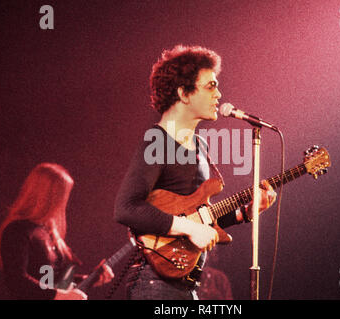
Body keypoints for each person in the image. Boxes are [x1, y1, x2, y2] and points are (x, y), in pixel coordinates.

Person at [114, 45, 277, 300]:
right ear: (184, 93)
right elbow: (126, 208)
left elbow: (200, 218)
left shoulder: (201, 146)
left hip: (186, 286)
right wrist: (188, 229)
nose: (219, 94)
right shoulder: (157, 141)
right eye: (211, 86)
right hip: (155, 287)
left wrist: (244, 213)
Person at [0, 163, 114, 300]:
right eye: (62, 195)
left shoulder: (47, 231)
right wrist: (58, 295)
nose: (64, 202)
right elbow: (17, 281)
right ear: (49, 196)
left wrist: (91, 279)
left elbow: (55, 282)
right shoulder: (17, 231)